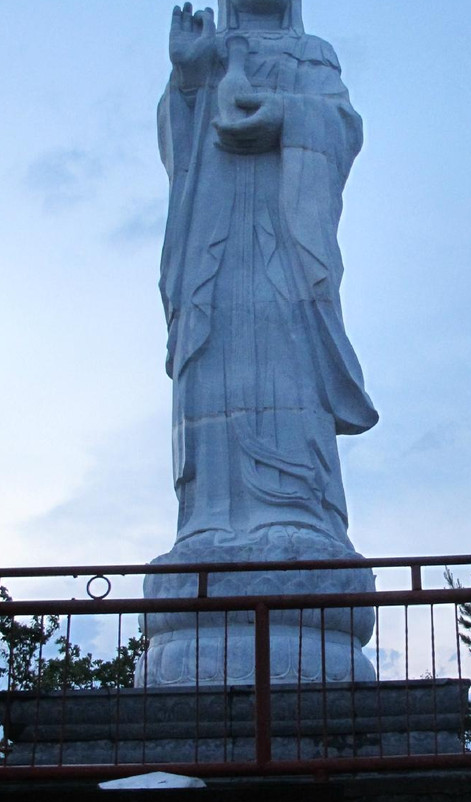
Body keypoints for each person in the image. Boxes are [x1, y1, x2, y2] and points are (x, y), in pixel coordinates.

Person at [158, 0, 377, 551]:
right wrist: (188, 75)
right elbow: (179, 146)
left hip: (284, 244)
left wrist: (285, 115)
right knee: (208, 354)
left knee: (286, 354)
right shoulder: (208, 56)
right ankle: (206, 517)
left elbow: (343, 130)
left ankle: (300, 512)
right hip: (212, 238)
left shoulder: (312, 53)